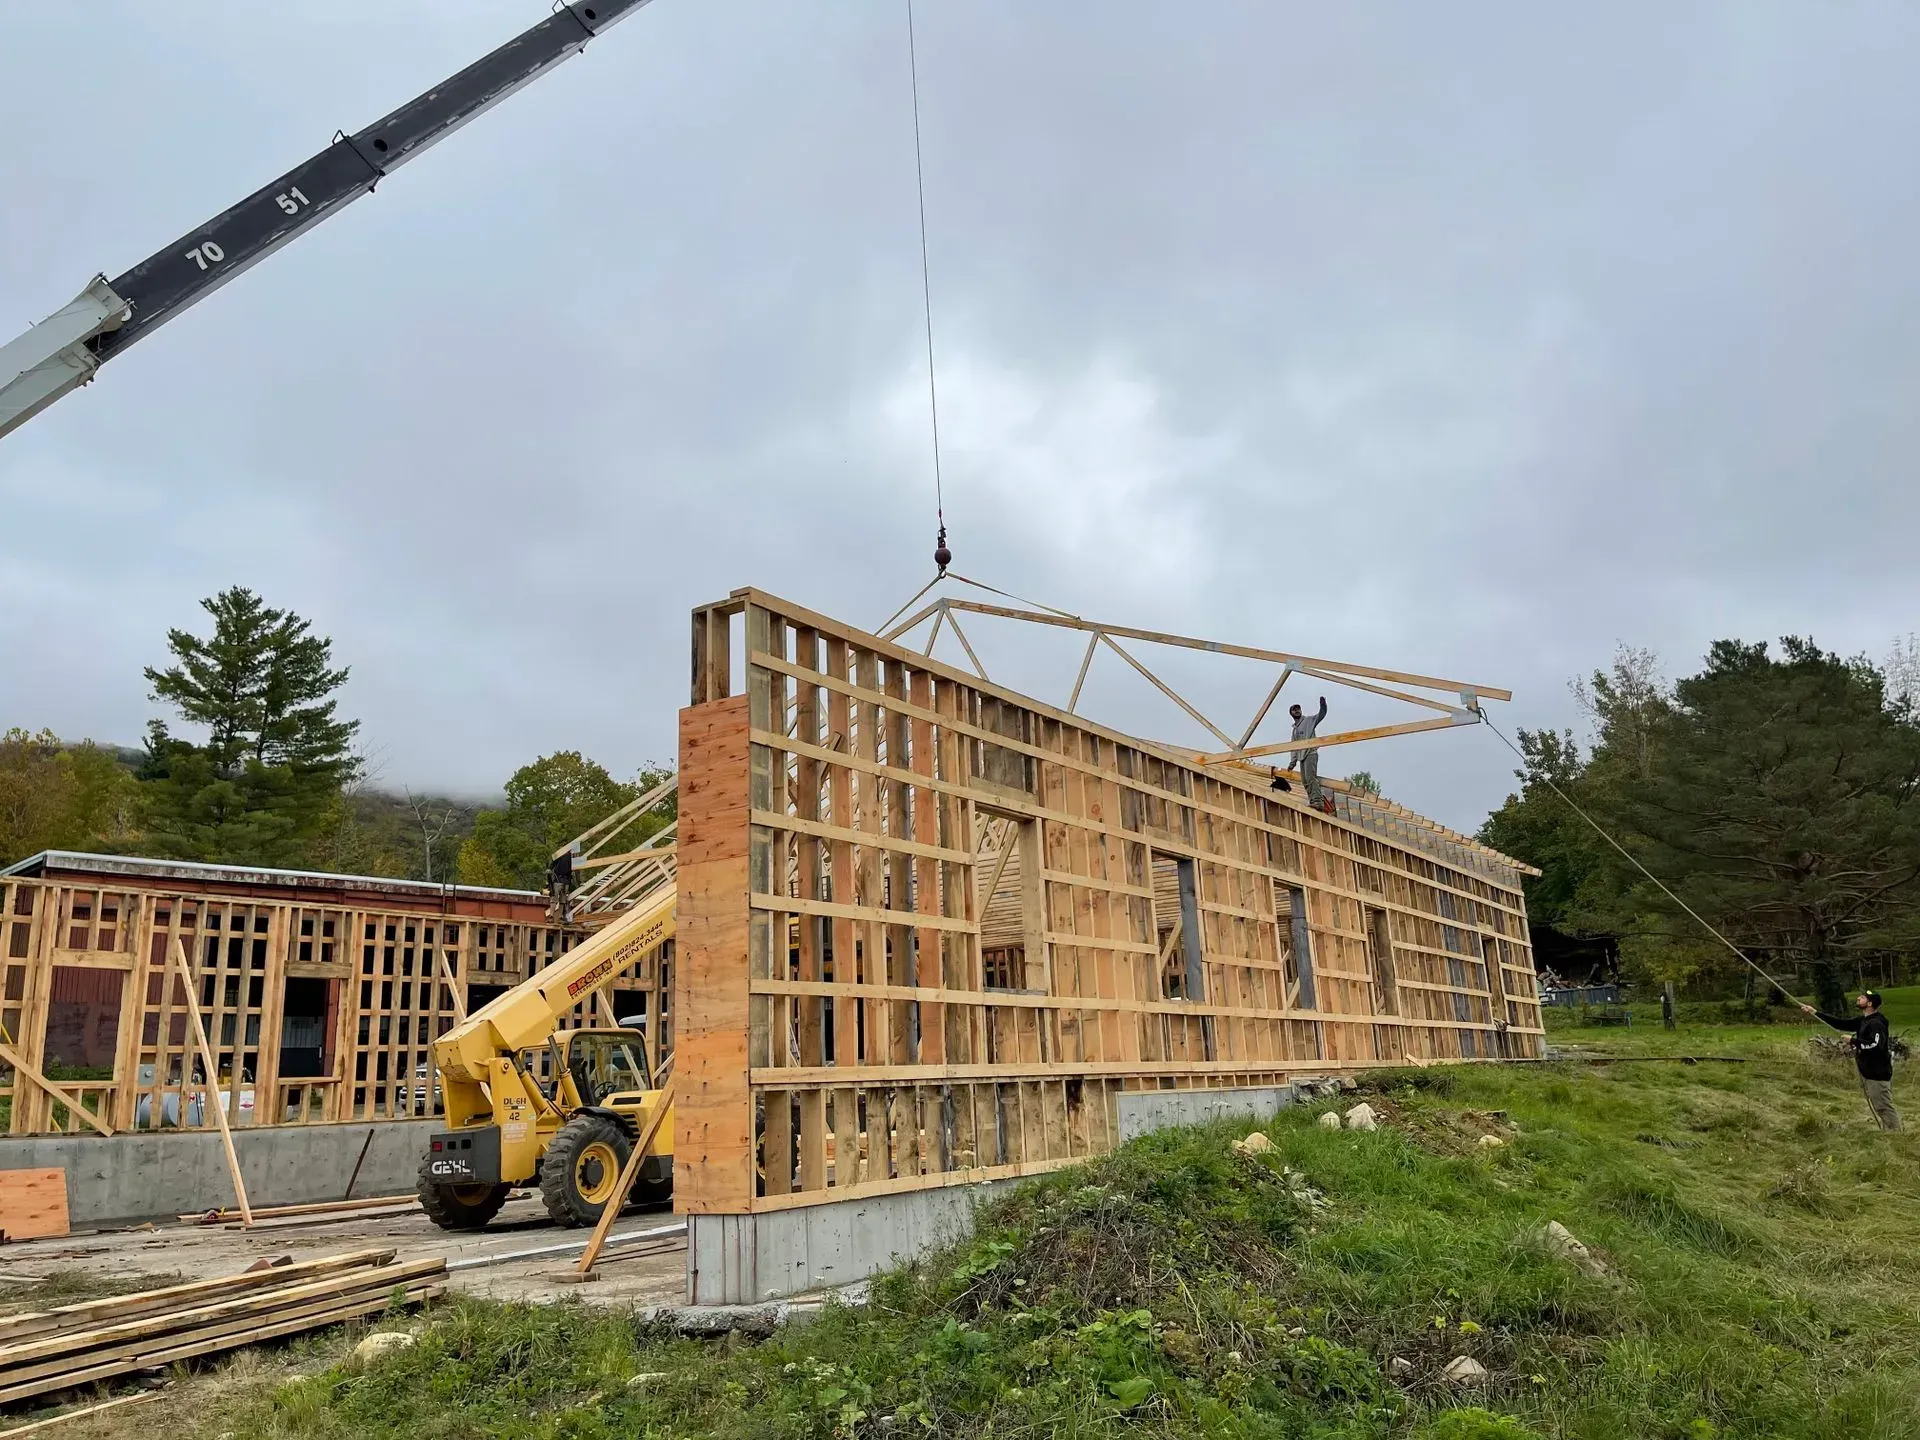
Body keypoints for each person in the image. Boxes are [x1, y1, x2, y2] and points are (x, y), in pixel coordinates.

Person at [1800, 990, 1901, 1131]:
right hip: (1868, 1072)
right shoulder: (1863, 1020)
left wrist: (1854, 1040)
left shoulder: (1876, 1023)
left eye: (1863, 997)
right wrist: (1814, 1012)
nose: (1858, 998)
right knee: (1879, 1106)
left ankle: (1896, 1136)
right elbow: (1839, 1023)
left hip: (1878, 1074)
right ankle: (1889, 1133)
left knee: (1883, 1106)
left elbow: (1876, 1045)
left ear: (1870, 1003)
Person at [1285, 697, 1329, 807]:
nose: (1297, 711)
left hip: (1310, 753)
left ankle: (1318, 801)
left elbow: (1321, 715)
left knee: (1310, 777)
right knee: (1305, 781)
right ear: (1291, 713)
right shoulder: (1295, 730)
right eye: (1294, 709)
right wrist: (1292, 763)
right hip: (1302, 758)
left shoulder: (1309, 721)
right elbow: (1294, 747)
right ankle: (1313, 801)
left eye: (1298, 709)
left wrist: (1323, 706)